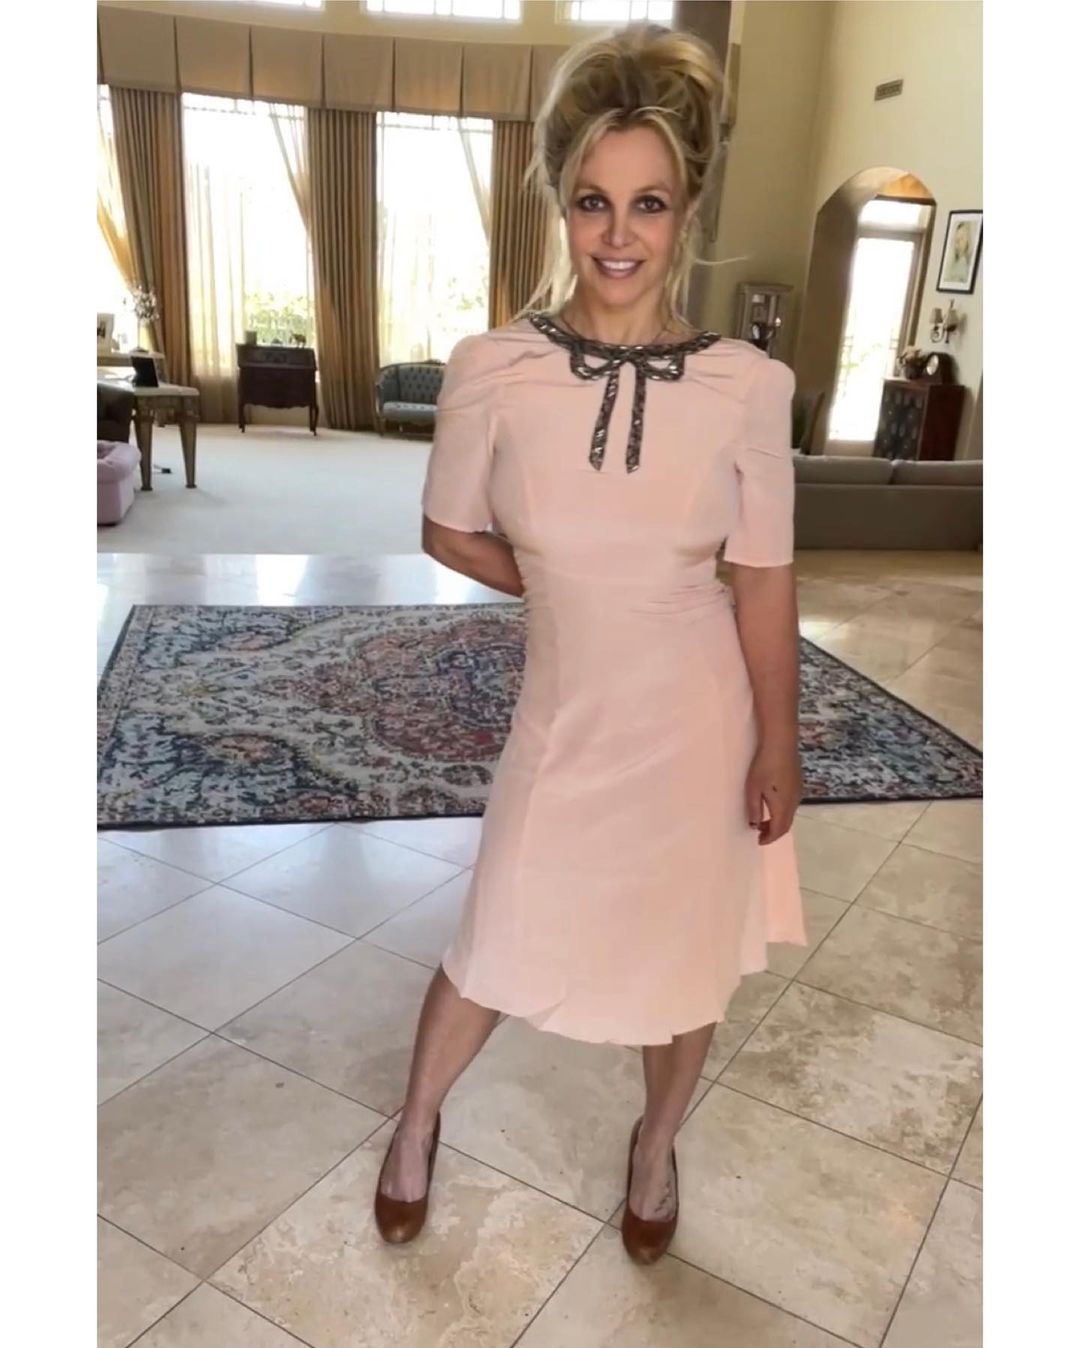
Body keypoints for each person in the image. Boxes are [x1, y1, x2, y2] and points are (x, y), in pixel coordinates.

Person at [374, 22, 806, 1264]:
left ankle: (656, 1144)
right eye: (592, 202)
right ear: (560, 207)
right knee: (494, 937)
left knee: (686, 958)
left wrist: (778, 743)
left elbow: (764, 581)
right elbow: (447, 528)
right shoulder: (493, 368)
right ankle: (416, 1123)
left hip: (697, 722)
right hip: (565, 716)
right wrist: (565, 585)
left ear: (687, 213)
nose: (619, 234)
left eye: (649, 204)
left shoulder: (747, 387)